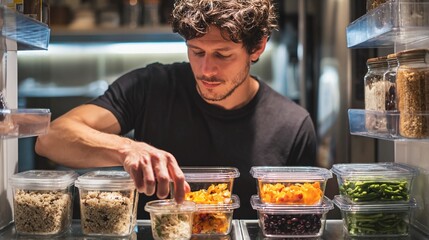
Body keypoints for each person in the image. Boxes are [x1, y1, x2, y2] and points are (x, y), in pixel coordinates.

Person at [35, 0, 317, 219]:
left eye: (222, 55)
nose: (207, 69)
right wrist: (128, 149)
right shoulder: (150, 87)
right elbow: (50, 139)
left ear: (257, 47)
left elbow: (296, 222)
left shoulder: (292, 125)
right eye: (196, 51)